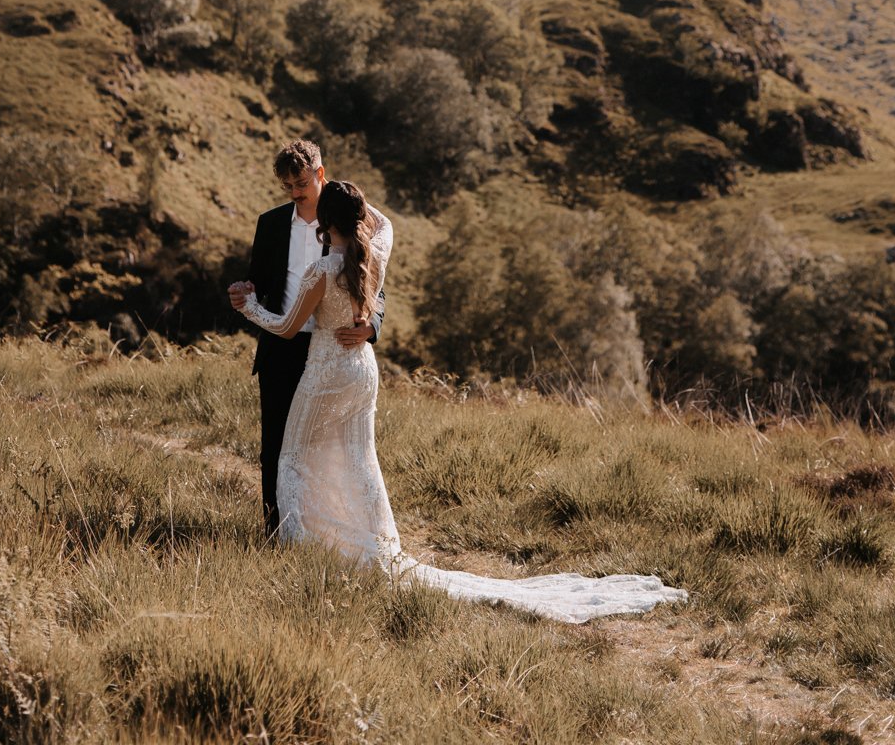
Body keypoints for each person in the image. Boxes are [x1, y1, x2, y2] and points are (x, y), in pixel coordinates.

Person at [236, 178, 687, 623]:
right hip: (363, 371)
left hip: (327, 372)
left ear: (326, 222)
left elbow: (287, 328)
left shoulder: (322, 270)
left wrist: (249, 307)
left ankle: (308, 549)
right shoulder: (369, 259)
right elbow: (382, 223)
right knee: (358, 459)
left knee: (294, 457)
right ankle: (369, 543)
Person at [228, 140, 383, 538]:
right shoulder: (271, 223)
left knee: (328, 451)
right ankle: (275, 532)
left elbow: (374, 283)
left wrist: (371, 326)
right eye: (288, 186)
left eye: (301, 182)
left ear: (320, 173)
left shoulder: (348, 219)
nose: (296, 192)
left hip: (334, 347)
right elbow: (260, 279)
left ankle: (325, 533)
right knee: (275, 447)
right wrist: (246, 289)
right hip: (282, 348)